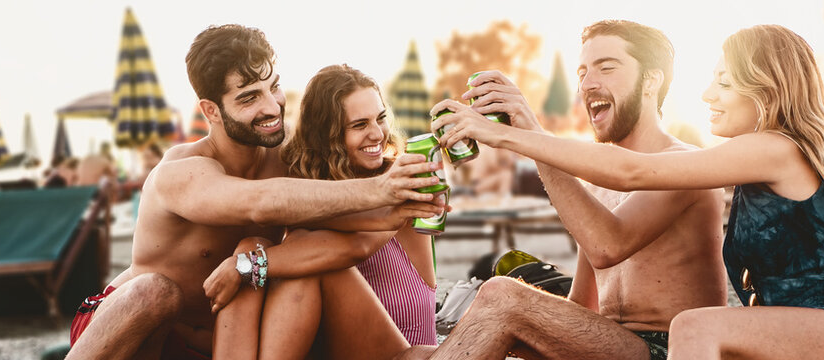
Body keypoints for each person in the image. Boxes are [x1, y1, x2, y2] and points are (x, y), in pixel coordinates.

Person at [434, 24, 824, 360]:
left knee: (694, 327)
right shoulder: (752, 164)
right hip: (802, 322)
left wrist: (507, 133)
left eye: (724, 82)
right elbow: (588, 295)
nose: (707, 94)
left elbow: (632, 173)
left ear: (766, 87)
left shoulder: (775, 147)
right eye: (583, 69)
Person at [66, 24, 443, 360]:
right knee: (155, 290)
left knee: (260, 248)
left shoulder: (286, 156)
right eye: (248, 98)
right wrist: (381, 190)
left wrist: (403, 203)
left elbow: (346, 230)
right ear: (211, 111)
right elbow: (258, 202)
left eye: (273, 87)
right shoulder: (180, 173)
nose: (271, 106)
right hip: (138, 326)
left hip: (214, 342)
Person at [426, 20, 728, 359]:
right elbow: (582, 306)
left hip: (673, 347)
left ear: (651, 80)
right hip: (613, 342)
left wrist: (528, 136)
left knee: (501, 295)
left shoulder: (686, 164)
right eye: (582, 72)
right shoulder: (598, 185)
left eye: (607, 68)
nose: (588, 83)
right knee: (426, 350)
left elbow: (607, 245)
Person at [282, 64, 438, 346]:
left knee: (308, 252)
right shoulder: (305, 195)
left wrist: (245, 266)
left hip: (410, 348)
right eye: (359, 125)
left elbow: (357, 247)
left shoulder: (403, 182)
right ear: (325, 136)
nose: (378, 134)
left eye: (380, 118)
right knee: (264, 244)